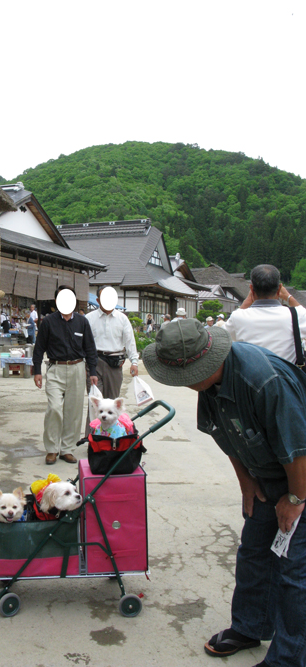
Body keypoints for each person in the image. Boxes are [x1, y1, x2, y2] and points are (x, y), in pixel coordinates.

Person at [143, 319, 306, 667]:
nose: (183, 385)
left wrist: (295, 500)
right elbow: (226, 436)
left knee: (295, 571)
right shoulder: (210, 386)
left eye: (187, 377)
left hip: (301, 476)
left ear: (208, 363)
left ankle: (289, 658)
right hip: (265, 473)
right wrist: (247, 483)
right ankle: (250, 626)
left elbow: (298, 449)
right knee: (254, 552)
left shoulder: (263, 381)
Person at [33, 285, 98, 465]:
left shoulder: (82, 322)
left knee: (73, 411)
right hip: (55, 369)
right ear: (56, 301)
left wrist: (92, 371)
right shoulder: (48, 322)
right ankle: (52, 449)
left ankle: (67, 449)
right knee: (54, 408)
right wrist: (37, 371)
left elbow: (90, 348)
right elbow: (39, 348)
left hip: (78, 368)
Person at [223, 264, 306, 363]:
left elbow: (218, 336)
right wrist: (288, 297)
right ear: (279, 288)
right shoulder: (296, 315)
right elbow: (301, 311)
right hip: (286, 377)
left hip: (251, 377)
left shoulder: (238, 317)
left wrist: (245, 303)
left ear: (251, 289)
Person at [85, 284, 139, 408]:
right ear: (98, 300)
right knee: (95, 404)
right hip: (94, 363)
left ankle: (112, 428)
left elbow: (129, 341)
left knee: (112, 404)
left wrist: (134, 362)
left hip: (114, 363)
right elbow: (84, 343)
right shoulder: (89, 318)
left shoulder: (122, 319)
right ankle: (93, 428)